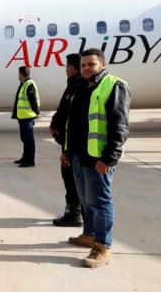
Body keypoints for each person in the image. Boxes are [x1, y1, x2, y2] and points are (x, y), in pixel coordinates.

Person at [62, 48, 130, 268]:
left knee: (100, 202)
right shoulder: (82, 87)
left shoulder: (114, 85)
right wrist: (67, 150)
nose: (86, 69)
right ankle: (89, 234)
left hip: (98, 158)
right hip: (80, 156)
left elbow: (120, 127)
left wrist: (108, 158)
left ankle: (103, 247)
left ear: (102, 64)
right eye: (83, 65)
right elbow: (73, 124)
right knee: (86, 199)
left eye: (91, 64)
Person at [49, 54, 83, 227]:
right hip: (71, 140)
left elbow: (65, 110)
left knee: (71, 177)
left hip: (72, 141)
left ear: (72, 68)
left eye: (67, 68)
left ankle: (74, 213)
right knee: (74, 177)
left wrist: (55, 124)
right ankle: (78, 212)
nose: (65, 71)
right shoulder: (78, 84)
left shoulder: (76, 85)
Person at [11, 66, 40, 167]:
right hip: (22, 117)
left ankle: (30, 160)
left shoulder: (29, 85)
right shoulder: (23, 84)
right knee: (24, 139)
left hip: (28, 117)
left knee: (29, 139)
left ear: (22, 74)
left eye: (19, 73)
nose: (18, 75)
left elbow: (33, 101)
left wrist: (37, 113)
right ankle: (25, 157)